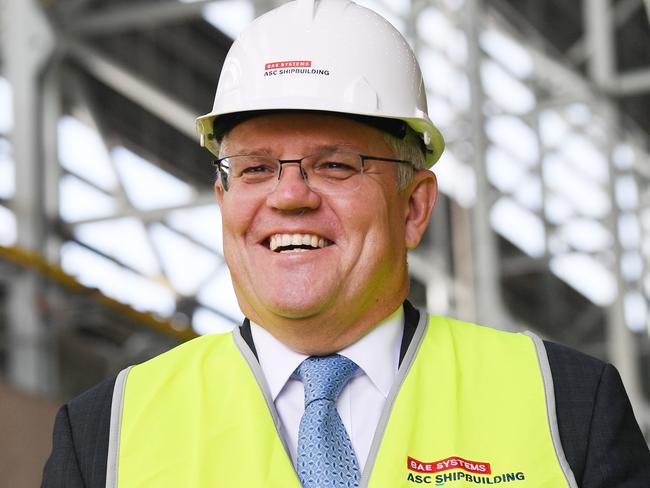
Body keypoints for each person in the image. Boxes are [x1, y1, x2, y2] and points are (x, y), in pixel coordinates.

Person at [43, 0, 650, 486]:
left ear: (414, 207)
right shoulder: (104, 435)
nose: (289, 197)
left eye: (335, 166)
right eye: (255, 169)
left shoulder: (567, 408)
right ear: (223, 199)